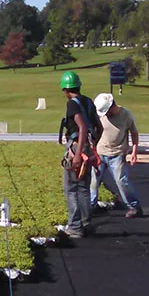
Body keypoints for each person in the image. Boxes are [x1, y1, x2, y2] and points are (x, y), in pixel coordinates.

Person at [58, 71, 98, 237]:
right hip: (88, 149)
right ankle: (86, 223)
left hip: (77, 149)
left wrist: (77, 154)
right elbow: (98, 128)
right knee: (83, 188)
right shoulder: (88, 101)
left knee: (71, 189)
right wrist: (92, 147)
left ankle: (75, 227)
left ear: (66, 90)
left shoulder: (72, 104)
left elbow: (81, 127)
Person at [89, 93, 143, 218]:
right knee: (93, 181)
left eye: (107, 112)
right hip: (100, 153)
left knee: (122, 181)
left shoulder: (126, 116)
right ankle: (91, 206)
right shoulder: (99, 115)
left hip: (117, 155)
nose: (106, 115)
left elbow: (134, 134)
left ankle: (134, 207)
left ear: (112, 106)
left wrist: (134, 151)